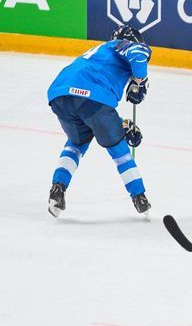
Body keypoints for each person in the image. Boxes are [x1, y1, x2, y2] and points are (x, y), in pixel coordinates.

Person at [47, 25, 151, 218]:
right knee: (118, 149)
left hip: (59, 94)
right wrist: (139, 82)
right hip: (92, 98)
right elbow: (138, 54)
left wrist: (123, 125)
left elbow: (91, 112)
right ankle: (139, 196)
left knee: (77, 143)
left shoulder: (99, 54)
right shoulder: (123, 45)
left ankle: (57, 188)